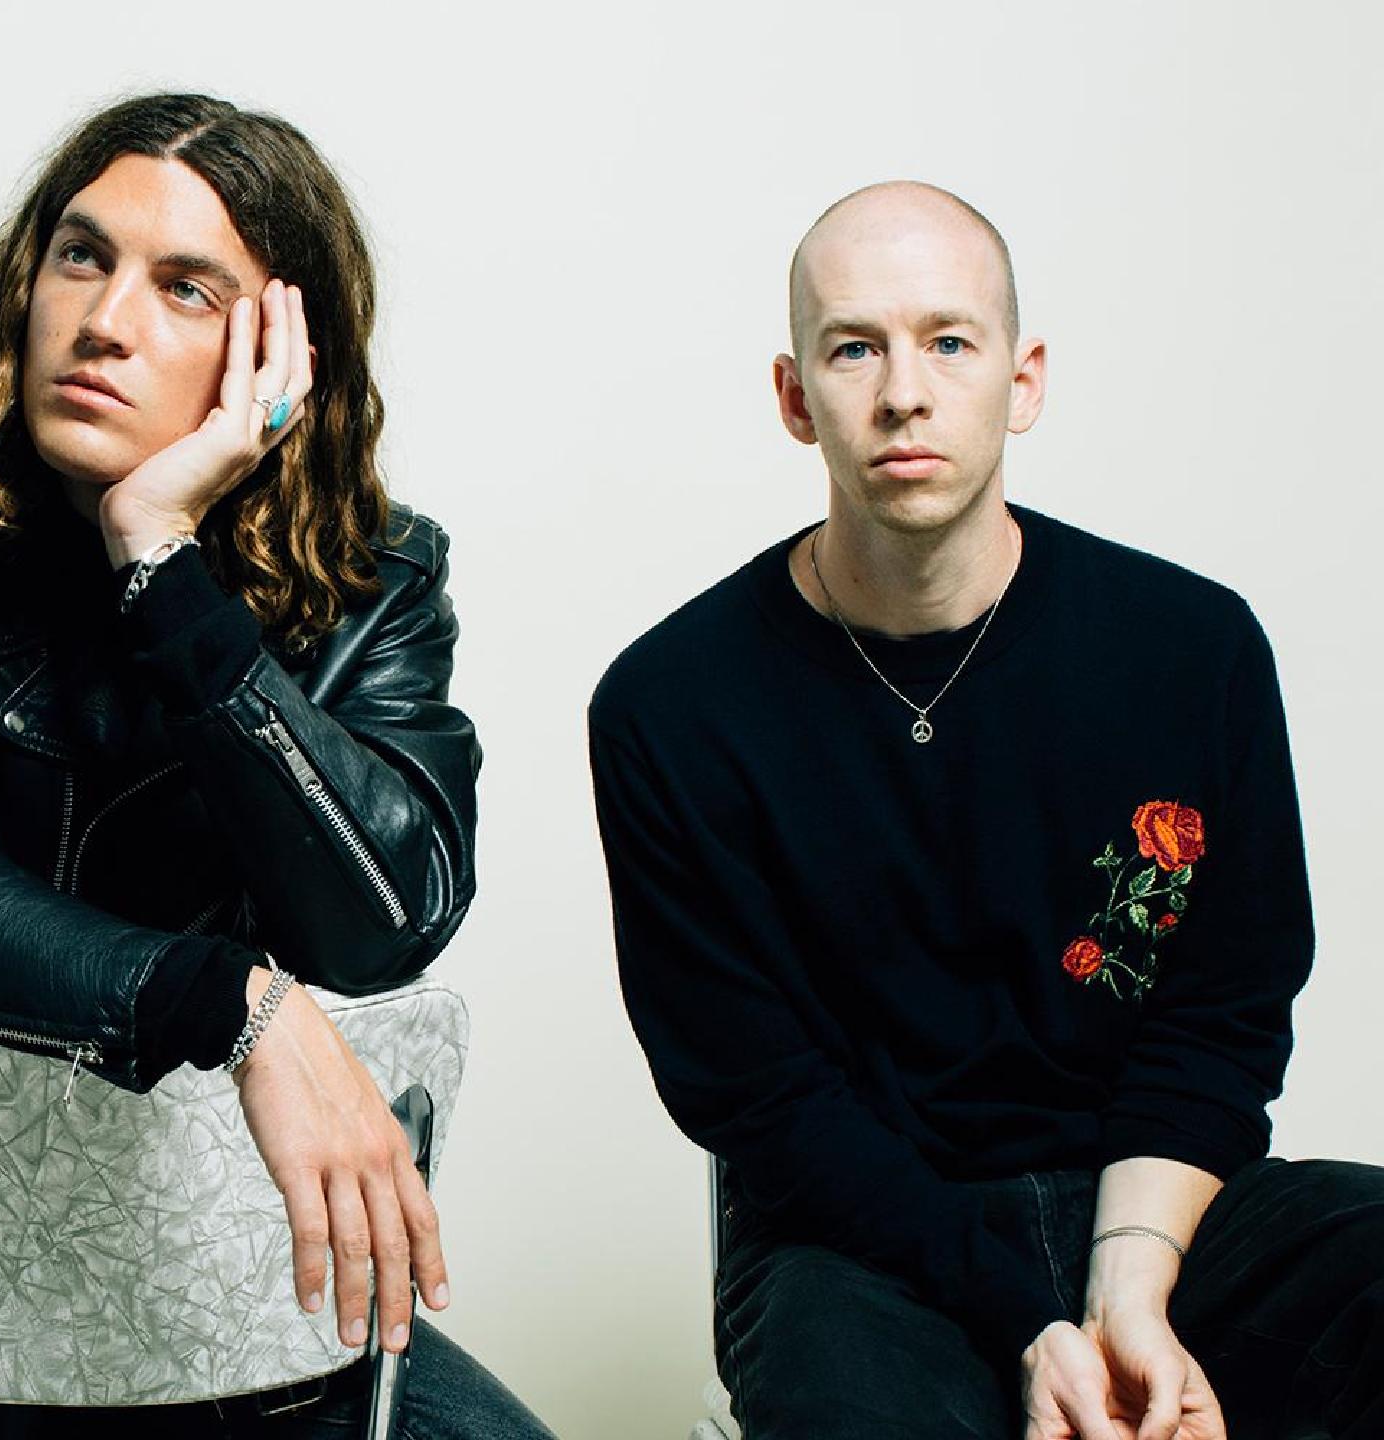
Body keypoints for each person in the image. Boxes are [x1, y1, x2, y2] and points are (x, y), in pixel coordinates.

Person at [0, 93, 548, 1438]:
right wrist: (226, 1002)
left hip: (233, 1283)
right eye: (82, 256)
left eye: (186, 288)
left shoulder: (376, 581)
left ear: (281, 356)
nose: (104, 319)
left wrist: (166, 569)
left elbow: (387, 917)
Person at [590, 181, 1383, 1439]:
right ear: (795, 397)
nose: (904, 391)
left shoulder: (1192, 650)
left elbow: (1219, 1017)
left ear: (1023, 381)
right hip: (856, 1248)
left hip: (1151, 1209)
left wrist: (1127, 1291)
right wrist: (1027, 1321)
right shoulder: (670, 707)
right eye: (855, 347)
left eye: (949, 341)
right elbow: (762, 1100)